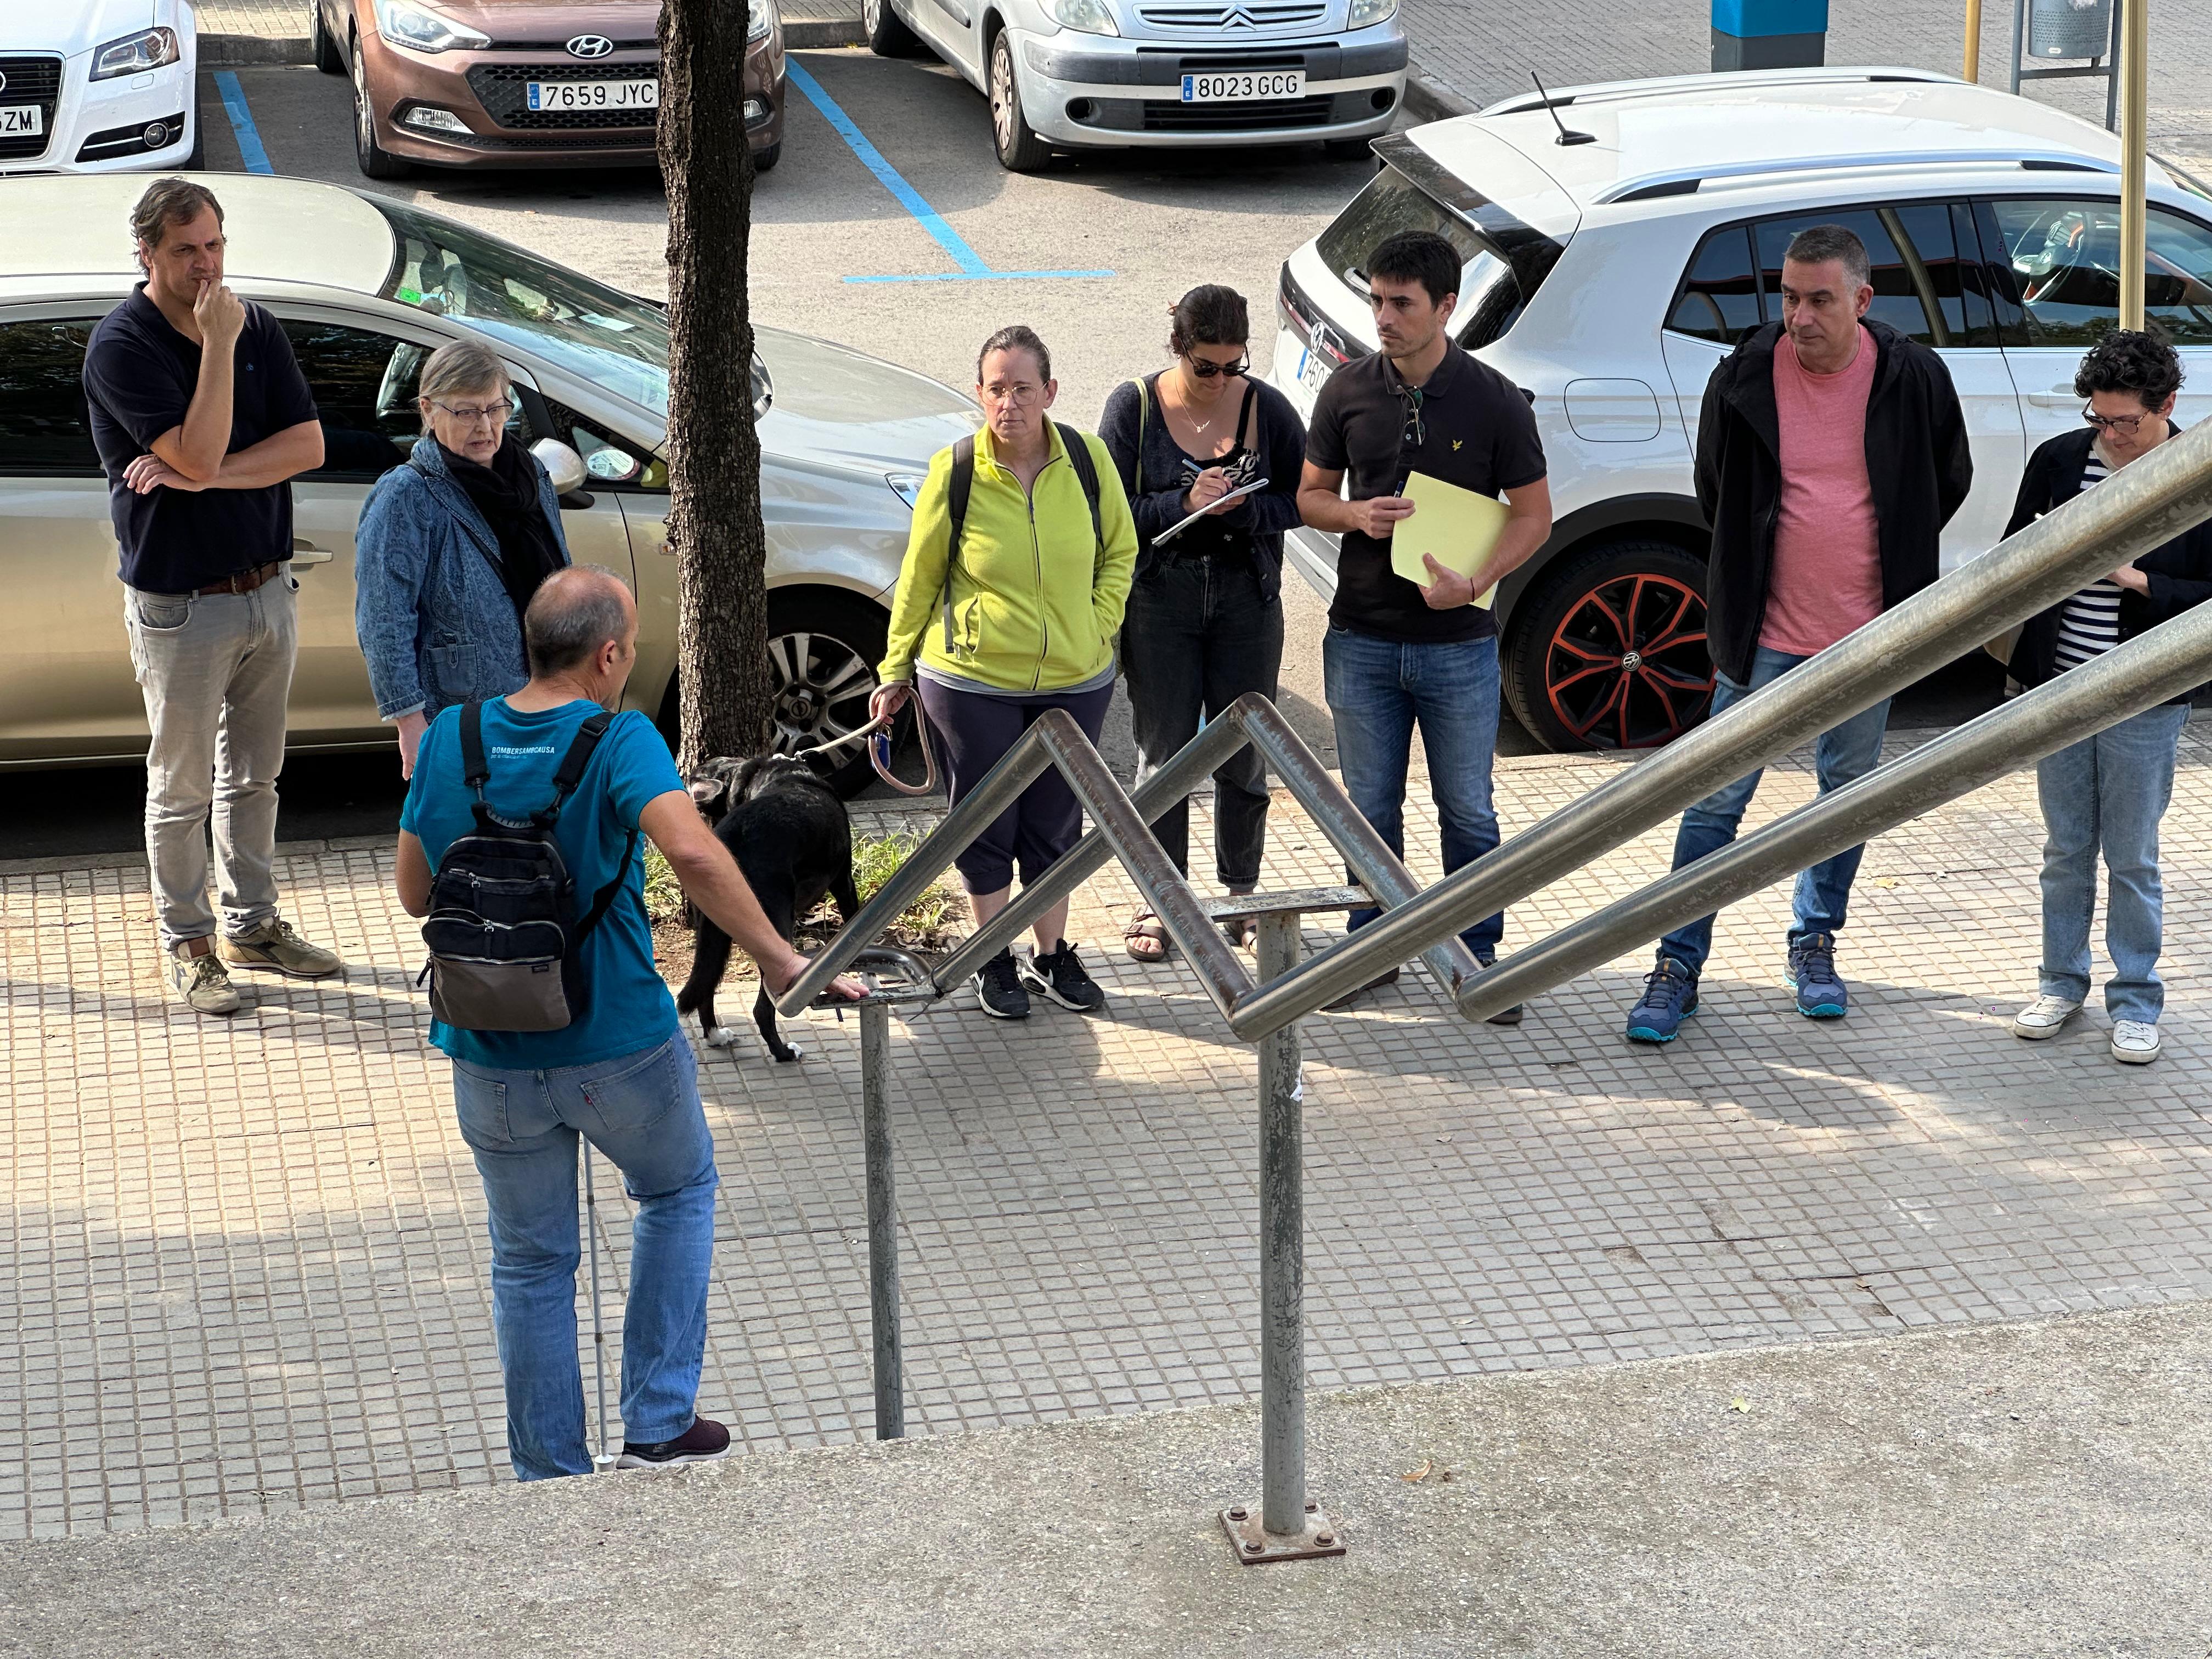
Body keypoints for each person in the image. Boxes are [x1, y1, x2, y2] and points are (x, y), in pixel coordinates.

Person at [393, 566, 862, 1481]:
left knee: (529, 1262)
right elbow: (690, 845)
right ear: (608, 654)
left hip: (486, 1048)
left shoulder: (452, 735)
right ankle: (656, 1418)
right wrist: (776, 954)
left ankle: (549, 1470)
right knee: (677, 1190)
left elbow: (416, 892)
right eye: (632, 647)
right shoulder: (620, 739)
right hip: (616, 1042)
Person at [1624, 223, 1972, 1044]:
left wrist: (1892, 565)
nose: (1800, 315)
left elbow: (1946, 477)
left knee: (1845, 798)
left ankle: (1814, 940)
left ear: (1862, 300)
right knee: (1713, 800)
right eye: (1789, 296)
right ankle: (1679, 962)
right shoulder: (1744, 375)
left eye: (1820, 299)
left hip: (1869, 638)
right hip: (1765, 635)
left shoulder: (1913, 376)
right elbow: (1718, 491)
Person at [82, 177, 339, 1017]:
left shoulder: (253, 321)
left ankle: (253, 926)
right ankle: (189, 946)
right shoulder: (125, 346)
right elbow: (192, 449)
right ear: (147, 253)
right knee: (182, 786)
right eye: (187, 250)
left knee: (256, 778)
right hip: (180, 604)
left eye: (216, 246)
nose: (206, 265)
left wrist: (205, 479)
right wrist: (218, 350)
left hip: (268, 587)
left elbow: (307, 444)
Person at [1295, 230, 1552, 1018]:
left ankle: (1479, 960)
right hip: (1362, 639)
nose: (1383, 316)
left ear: (1446, 306)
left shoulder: (1494, 399)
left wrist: (1474, 582)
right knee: (1368, 807)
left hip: (1459, 647)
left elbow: (1534, 517)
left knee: (1466, 807)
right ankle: (1373, 948)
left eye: (1401, 303)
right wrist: (1355, 515)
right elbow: (1309, 497)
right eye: (1376, 299)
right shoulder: (1347, 393)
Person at [868, 325, 1138, 1020]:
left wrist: (1098, 624)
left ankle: (1052, 956)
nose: (1009, 403)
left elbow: (1121, 551)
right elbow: (920, 577)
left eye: (1023, 388)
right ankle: (994, 955)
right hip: (971, 680)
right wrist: (895, 670)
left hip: (1076, 678)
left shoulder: (1087, 458)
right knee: (985, 822)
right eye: (996, 389)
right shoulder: (955, 470)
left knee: (1054, 822)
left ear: (1050, 392)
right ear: (980, 394)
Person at [2005, 331, 2211, 1065]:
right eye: (2101, 418)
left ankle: (2136, 999)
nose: (2112, 435)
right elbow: (2011, 560)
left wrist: (2140, 581)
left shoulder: (2195, 476)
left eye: (2127, 421)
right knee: (2065, 851)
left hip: (2145, 694)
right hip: (2060, 685)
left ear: (2168, 407)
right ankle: (2061, 984)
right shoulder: (2061, 461)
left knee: (2132, 857)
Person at [1098, 285, 1306, 961]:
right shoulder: (1132, 405)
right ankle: (1161, 899)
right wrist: (1181, 501)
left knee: (1245, 753)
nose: (1220, 381)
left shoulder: (1267, 410)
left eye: (1232, 366)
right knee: (1163, 755)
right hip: (1161, 599)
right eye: (1205, 368)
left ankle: (1240, 895)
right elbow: (1110, 514)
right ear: (1177, 349)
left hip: (1248, 596)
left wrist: (1245, 512)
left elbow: (1303, 501)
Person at [356, 336, 571, 779]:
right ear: (428, 410)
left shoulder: (533, 476)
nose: (485, 426)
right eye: (466, 411)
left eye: (496, 409)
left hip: (547, 698)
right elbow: (383, 619)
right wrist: (409, 721)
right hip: (462, 713)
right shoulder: (407, 495)